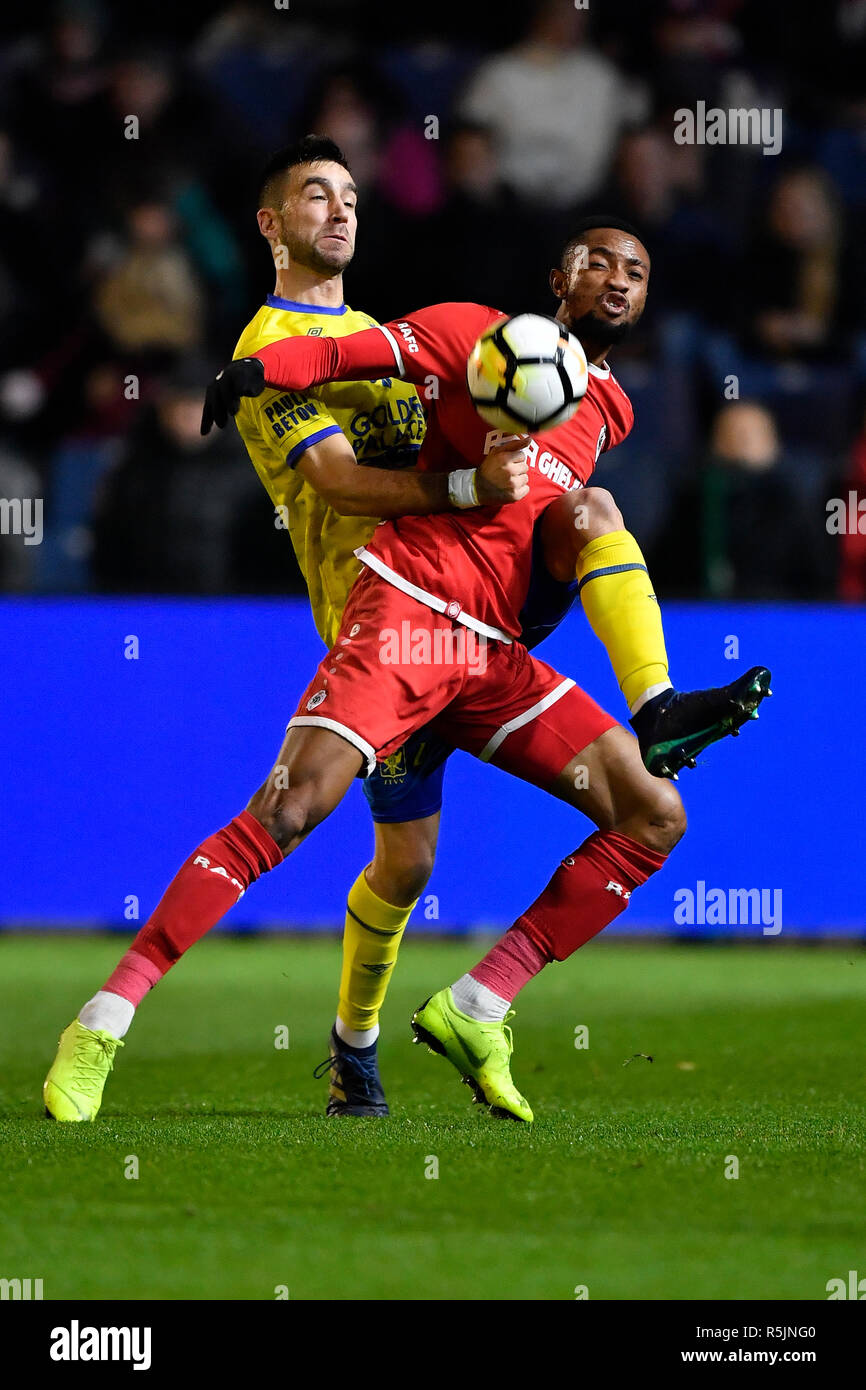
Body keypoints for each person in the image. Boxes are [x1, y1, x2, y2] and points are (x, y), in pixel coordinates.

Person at [43, 193, 771, 1124]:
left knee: (654, 813)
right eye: (597, 261)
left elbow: (545, 538)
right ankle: (102, 1023)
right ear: (558, 281)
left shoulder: (609, 410)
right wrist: (260, 368)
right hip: (409, 617)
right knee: (297, 809)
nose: (617, 280)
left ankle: (478, 1002)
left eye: (634, 271)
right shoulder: (473, 335)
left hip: (498, 658)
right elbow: (349, 355)